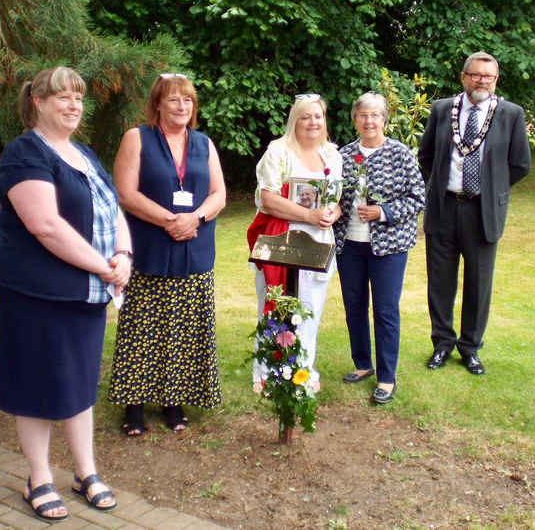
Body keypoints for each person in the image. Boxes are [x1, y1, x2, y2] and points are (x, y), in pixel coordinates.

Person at [0, 66, 130, 521]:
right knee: (36, 383)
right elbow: (46, 226)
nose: (74, 105)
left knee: (79, 382)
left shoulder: (83, 153)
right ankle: (38, 478)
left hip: (85, 291)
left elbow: (112, 204)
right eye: (63, 97)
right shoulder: (25, 153)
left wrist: (123, 252)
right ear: (38, 103)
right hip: (35, 292)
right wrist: (103, 268)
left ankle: (85, 472)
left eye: (79, 98)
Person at [107, 73, 226, 435]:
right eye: (174, 100)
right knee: (143, 330)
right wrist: (170, 220)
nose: (181, 106)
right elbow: (125, 193)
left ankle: (174, 402)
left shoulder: (204, 143)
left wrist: (196, 218)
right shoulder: (136, 138)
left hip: (194, 250)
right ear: (157, 103)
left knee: (185, 331)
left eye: (187, 100)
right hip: (149, 249)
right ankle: (134, 407)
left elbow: (219, 194)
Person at [418, 51, 530, 375]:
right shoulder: (442, 110)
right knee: (440, 282)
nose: (482, 81)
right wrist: (441, 184)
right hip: (444, 208)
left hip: (482, 212)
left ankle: (470, 348)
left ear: (496, 80)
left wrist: (493, 187)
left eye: (489, 76)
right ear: (464, 77)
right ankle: (441, 343)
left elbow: (521, 164)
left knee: (479, 284)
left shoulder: (510, 114)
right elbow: (426, 155)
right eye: (477, 75)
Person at [247, 94, 343, 394]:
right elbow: (267, 198)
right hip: (282, 242)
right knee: (275, 305)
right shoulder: (278, 151)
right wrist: (309, 215)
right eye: (306, 116)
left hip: (318, 243)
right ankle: (266, 371)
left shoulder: (332, 154)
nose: (313, 122)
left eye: (318, 116)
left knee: (309, 308)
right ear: (294, 120)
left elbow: (335, 199)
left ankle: (302, 368)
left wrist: (331, 213)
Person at [334, 92, 426, 404]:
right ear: (354, 119)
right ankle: (362, 364)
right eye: (363, 115)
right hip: (350, 245)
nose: (369, 121)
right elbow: (331, 195)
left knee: (385, 311)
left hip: (389, 246)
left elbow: (417, 198)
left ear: (384, 119)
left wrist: (383, 212)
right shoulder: (343, 156)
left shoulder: (401, 154)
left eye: (375, 115)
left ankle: (387, 376)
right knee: (354, 306)